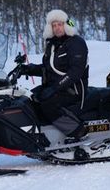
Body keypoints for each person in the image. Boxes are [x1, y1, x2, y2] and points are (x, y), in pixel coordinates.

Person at [22, 9, 89, 139]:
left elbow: (76, 71)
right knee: (30, 99)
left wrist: (55, 88)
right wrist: (29, 69)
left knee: (48, 105)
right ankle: (44, 134)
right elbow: (49, 68)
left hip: (73, 89)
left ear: (66, 25)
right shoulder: (53, 44)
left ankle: (78, 132)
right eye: (54, 25)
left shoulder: (76, 42)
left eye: (60, 24)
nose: (57, 28)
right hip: (57, 88)